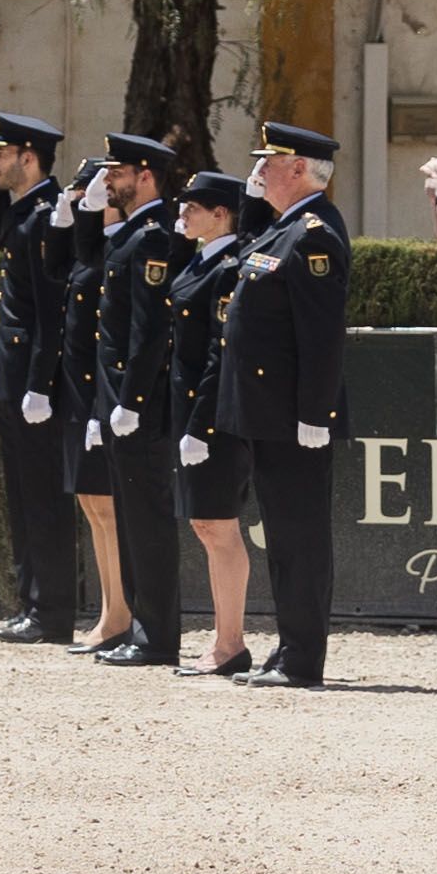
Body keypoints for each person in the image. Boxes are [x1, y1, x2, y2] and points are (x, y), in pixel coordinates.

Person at [219, 123, 352, 689]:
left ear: (298, 169)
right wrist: (251, 203)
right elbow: (246, 262)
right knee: (280, 532)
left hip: (295, 417)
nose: (257, 171)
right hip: (267, 412)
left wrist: (314, 416)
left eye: (268, 164)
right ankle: (290, 646)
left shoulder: (315, 234)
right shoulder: (284, 229)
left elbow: (321, 336)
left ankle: (303, 658)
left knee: (299, 535)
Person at [0, 115, 76, 644]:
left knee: (42, 496)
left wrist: (40, 382)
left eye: (2, 154)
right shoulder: (24, 212)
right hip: (15, 376)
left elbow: (51, 309)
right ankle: (33, 602)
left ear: (28, 157)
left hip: (37, 382)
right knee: (22, 491)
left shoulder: (49, 216)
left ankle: (52, 609)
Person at [93, 131, 191, 668]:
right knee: (131, 519)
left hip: (142, 408)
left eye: (118, 171)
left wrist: (130, 399)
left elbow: (150, 330)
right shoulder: (129, 234)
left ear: (145, 175)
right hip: (117, 406)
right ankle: (138, 627)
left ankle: (157, 635)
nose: (109, 179)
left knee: (147, 522)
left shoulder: (153, 237)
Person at [167, 171, 259, 678]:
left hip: (215, 417)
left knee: (218, 526)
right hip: (190, 411)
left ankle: (230, 644)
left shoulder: (228, 268)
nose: (181, 214)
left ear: (220, 214)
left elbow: (216, 356)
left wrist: (200, 426)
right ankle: (225, 640)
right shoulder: (198, 262)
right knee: (206, 526)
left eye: (192, 208)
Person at [55, 155, 127, 652]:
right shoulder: (92, 249)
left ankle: (119, 612)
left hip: (103, 389)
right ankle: (110, 609)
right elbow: (56, 267)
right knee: (91, 504)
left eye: (92, 198)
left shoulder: (116, 249)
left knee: (106, 504)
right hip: (81, 389)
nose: (84, 206)